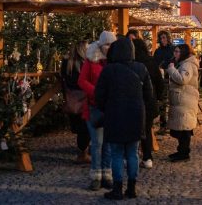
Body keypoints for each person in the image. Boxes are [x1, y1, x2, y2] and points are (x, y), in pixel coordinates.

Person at [95, 38, 153, 200]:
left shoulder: (109, 70)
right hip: (136, 115)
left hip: (115, 115)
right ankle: (132, 188)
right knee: (133, 153)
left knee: (117, 154)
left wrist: (105, 108)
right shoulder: (141, 68)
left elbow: (99, 96)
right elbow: (149, 95)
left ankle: (118, 188)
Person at [78, 30, 117, 191]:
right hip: (94, 108)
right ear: (101, 45)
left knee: (108, 144)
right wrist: (96, 91)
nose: (108, 47)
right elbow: (81, 81)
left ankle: (107, 175)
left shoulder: (114, 61)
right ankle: (96, 177)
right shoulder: (91, 60)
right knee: (97, 143)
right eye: (106, 44)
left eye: (111, 44)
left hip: (110, 108)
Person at [166, 44, 199, 162]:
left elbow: (182, 79)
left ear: (183, 53)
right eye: (174, 51)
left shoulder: (187, 64)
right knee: (182, 126)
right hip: (183, 99)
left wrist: (171, 69)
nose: (175, 53)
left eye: (177, 51)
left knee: (184, 128)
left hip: (186, 99)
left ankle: (184, 153)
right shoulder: (184, 63)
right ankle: (181, 151)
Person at [133, 38, 161, 169]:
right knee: (147, 130)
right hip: (150, 100)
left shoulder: (132, 63)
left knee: (132, 130)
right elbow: (159, 82)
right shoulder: (151, 62)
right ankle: (147, 157)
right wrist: (158, 97)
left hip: (135, 101)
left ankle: (132, 157)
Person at [61, 40, 90, 164]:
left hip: (71, 99)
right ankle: (83, 153)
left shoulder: (67, 64)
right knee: (85, 127)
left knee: (78, 126)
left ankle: (82, 152)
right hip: (84, 99)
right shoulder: (84, 64)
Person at [153, 30, 174, 133]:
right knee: (163, 102)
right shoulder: (158, 51)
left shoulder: (173, 49)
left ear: (168, 38)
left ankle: (173, 123)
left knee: (173, 101)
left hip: (173, 78)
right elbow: (155, 64)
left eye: (164, 38)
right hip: (163, 78)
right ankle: (163, 124)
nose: (162, 40)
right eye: (161, 38)